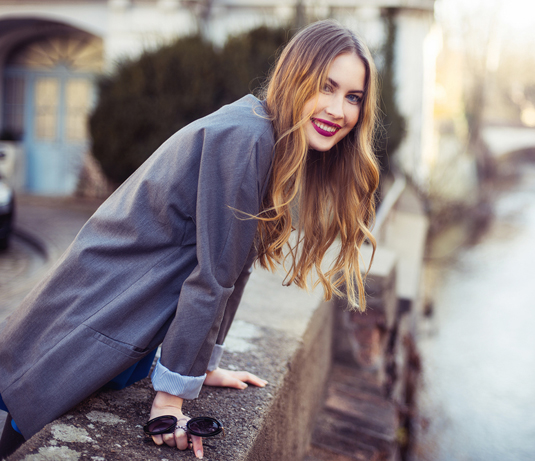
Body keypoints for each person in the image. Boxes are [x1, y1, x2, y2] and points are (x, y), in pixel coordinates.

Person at [0, 19, 379, 459]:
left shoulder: (260, 132)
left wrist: (203, 366)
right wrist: (170, 400)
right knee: (24, 439)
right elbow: (213, 277)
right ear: (295, 78)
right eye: (325, 87)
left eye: (353, 97)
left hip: (127, 313)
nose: (339, 109)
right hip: (101, 309)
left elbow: (234, 266)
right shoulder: (246, 137)